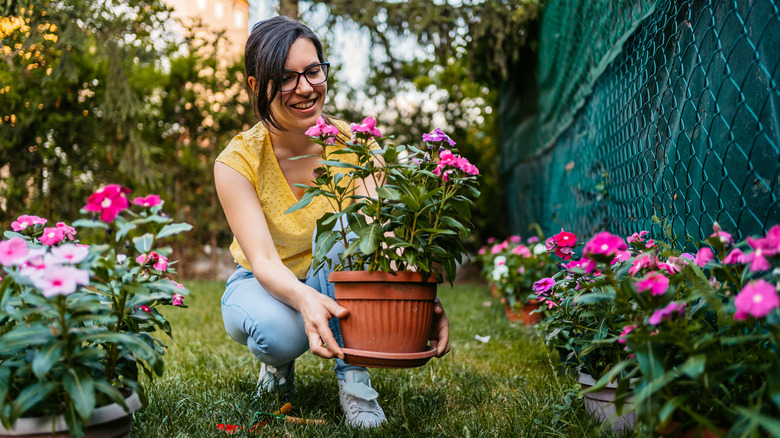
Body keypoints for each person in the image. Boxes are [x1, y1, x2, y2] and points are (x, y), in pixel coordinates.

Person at [213, 16, 451, 429]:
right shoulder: (237, 162)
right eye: (285, 78)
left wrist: (419, 295)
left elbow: (379, 240)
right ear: (256, 85)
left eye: (312, 71)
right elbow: (265, 262)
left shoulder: (357, 147)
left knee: (349, 230)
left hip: (340, 276)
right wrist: (305, 300)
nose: (305, 88)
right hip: (262, 281)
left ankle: (354, 379)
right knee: (276, 335)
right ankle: (278, 367)